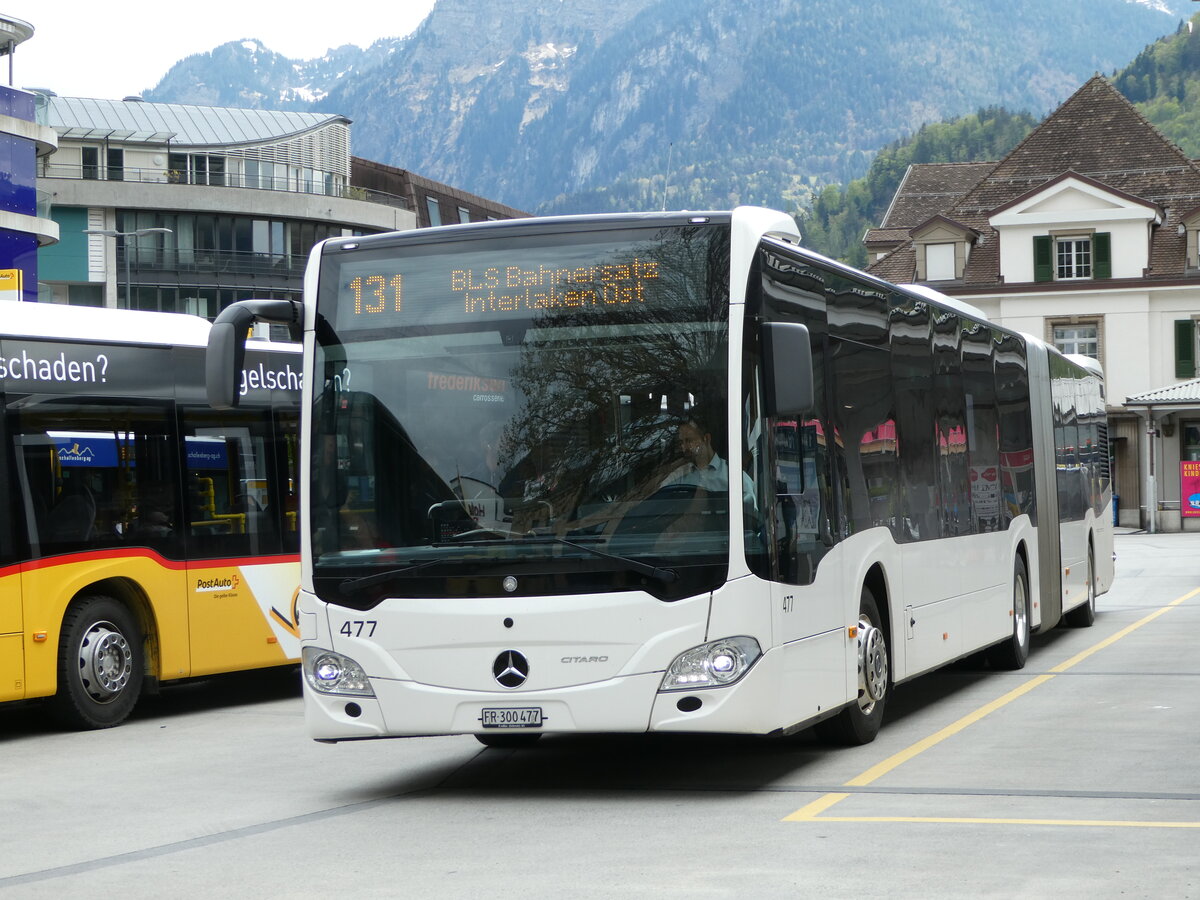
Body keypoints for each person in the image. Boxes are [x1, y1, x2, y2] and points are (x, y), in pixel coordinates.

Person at [661, 417, 756, 507]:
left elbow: (750, 513)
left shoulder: (734, 476)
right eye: (681, 442)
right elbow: (658, 500)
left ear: (706, 438)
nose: (684, 447)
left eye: (689, 440)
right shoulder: (679, 475)